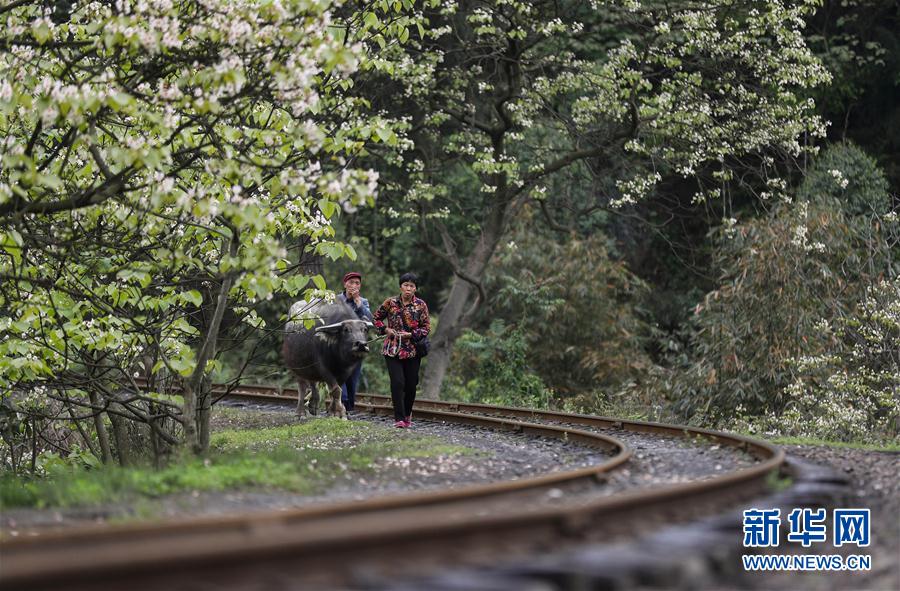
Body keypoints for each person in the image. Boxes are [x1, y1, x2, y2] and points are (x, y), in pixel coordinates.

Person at [373, 272, 430, 428]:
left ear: (415, 289)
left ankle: (407, 414)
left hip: (412, 350)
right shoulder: (390, 303)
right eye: (406, 285)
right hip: (392, 348)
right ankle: (399, 419)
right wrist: (385, 330)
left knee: (411, 384)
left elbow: (426, 328)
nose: (408, 289)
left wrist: (411, 334)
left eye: (412, 286)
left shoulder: (421, 305)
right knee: (397, 383)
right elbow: (375, 319)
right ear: (400, 286)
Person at [338, 271, 373, 413]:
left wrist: (359, 305)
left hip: (357, 345)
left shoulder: (363, 301)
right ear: (345, 284)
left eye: (357, 283)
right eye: (351, 282)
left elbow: (370, 320)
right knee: (340, 374)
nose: (354, 286)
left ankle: (350, 406)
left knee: (353, 377)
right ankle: (343, 402)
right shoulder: (336, 299)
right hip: (339, 346)